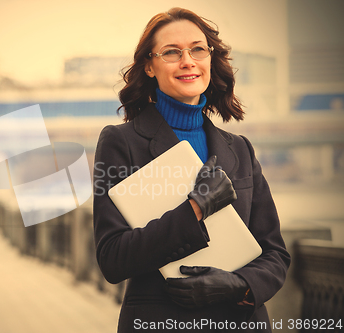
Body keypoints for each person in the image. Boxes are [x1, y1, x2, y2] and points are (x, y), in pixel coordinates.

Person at [93, 7, 291, 332]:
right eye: (172, 52)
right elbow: (112, 258)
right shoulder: (121, 142)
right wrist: (195, 208)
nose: (188, 61)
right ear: (149, 66)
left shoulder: (239, 148)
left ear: (210, 58)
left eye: (197, 49)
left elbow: (275, 254)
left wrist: (240, 285)